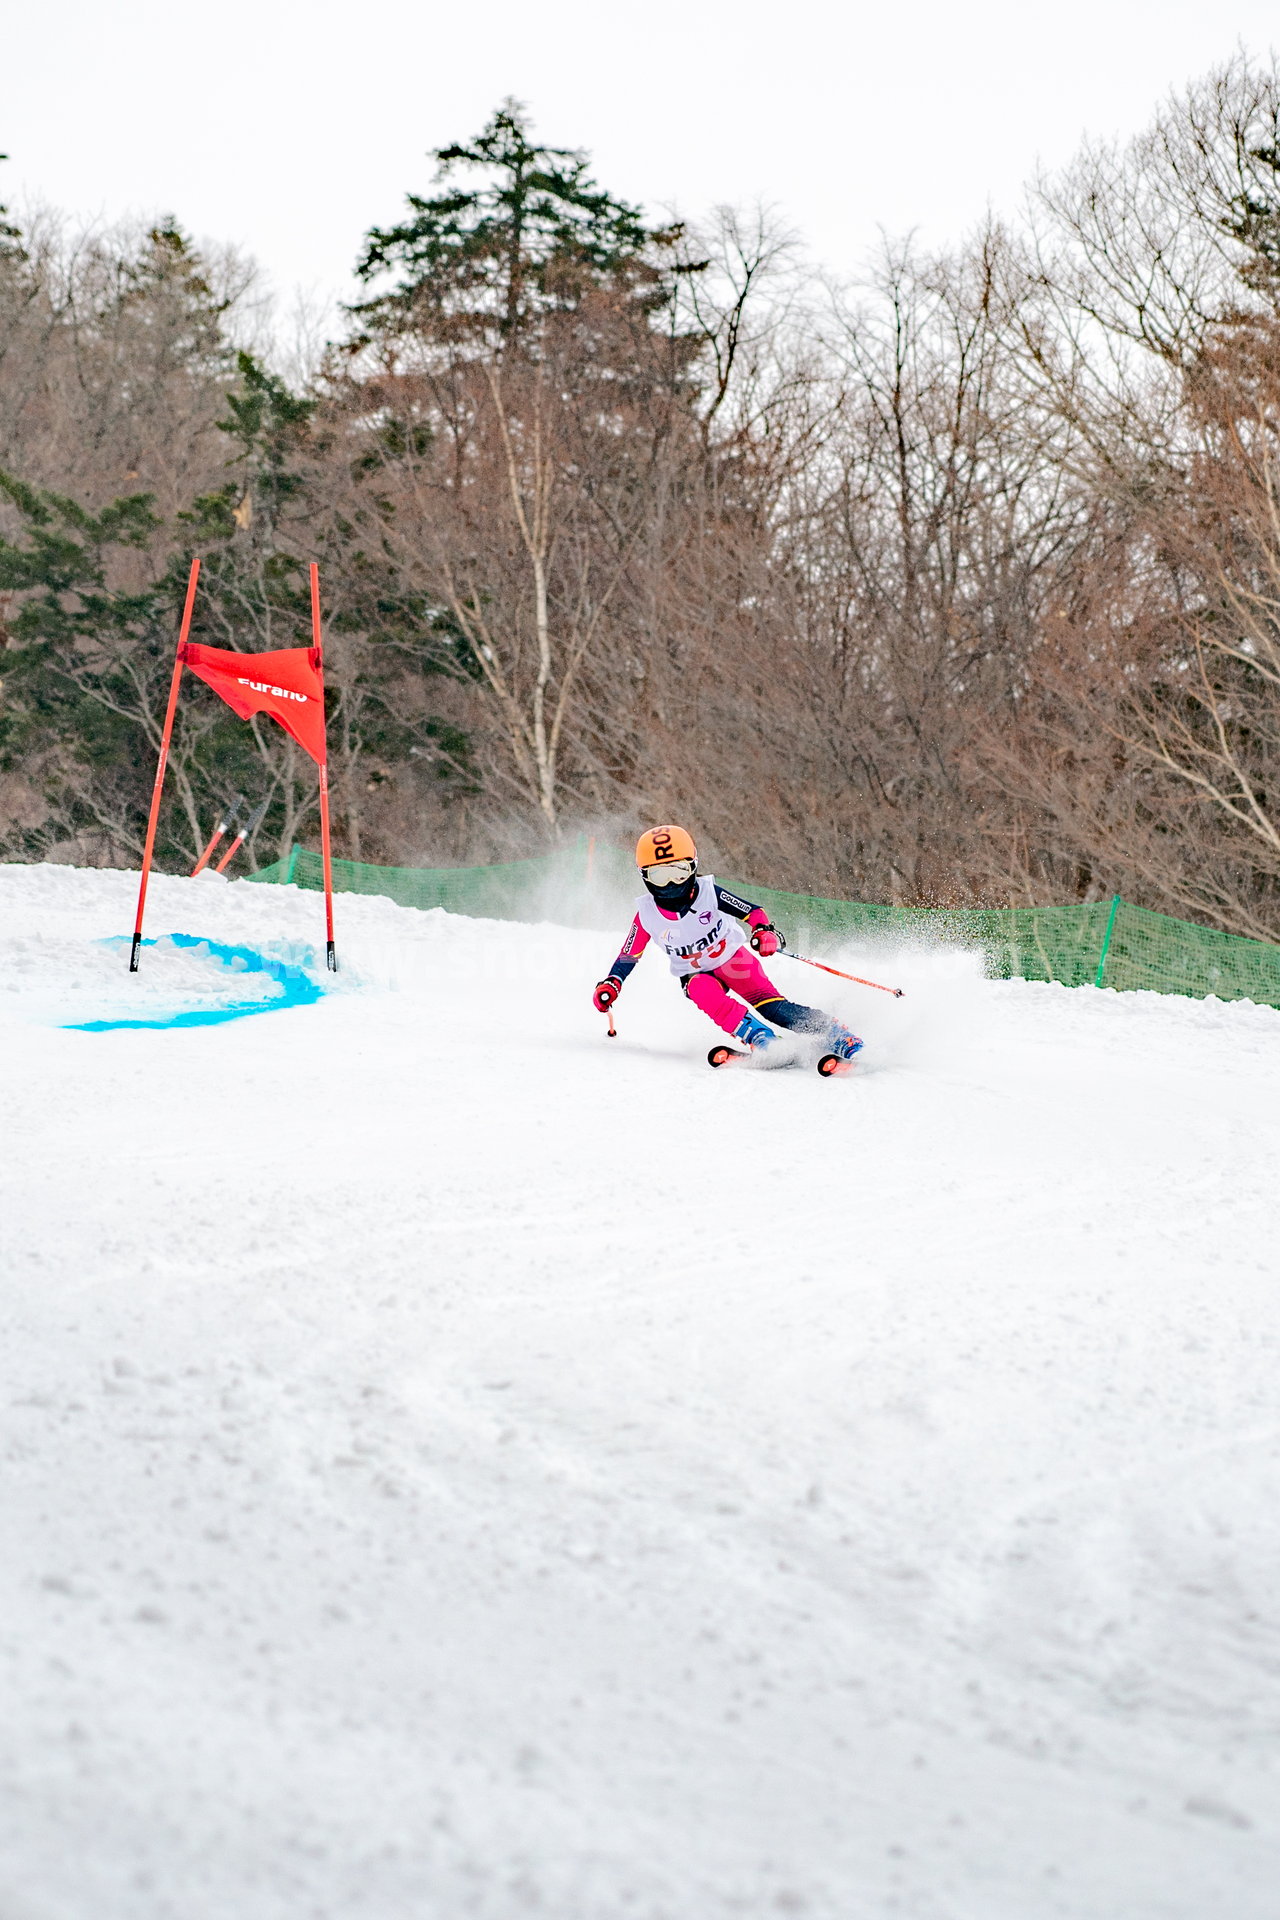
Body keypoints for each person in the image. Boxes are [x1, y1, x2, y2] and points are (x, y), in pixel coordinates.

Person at [593, 825, 863, 1061]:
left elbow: (753, 912)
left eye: (678, 872)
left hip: (733, 961)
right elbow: (628, 955)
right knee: (701, 990)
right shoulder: (647, 915)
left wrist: (763, 932)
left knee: (773, 1008)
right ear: (644, 876)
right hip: (695, 973)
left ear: (694, 866)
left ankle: (835, 1034)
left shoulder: (709, 893)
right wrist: (612, 983)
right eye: (660, 876)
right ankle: (764, 1041)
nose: (671, 884)